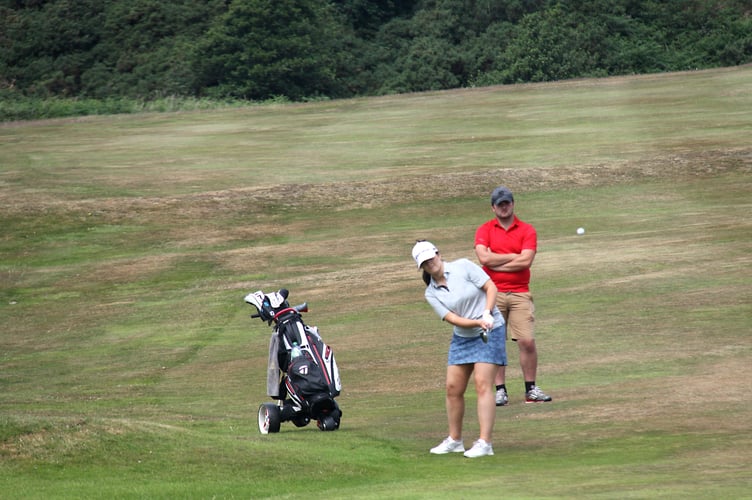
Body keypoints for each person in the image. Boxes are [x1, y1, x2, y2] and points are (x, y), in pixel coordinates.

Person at [411, 240, 507, 458]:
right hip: (464, 337)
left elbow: (490, 286)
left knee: (483, 384)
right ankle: (455, 440)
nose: (430, 264)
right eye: (425, 263)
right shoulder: (431, 293)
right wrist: (476, 323)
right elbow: (452, 318)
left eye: (431, 258)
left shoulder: (463, 266)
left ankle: (485, 443)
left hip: (491, 330)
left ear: (438, 253)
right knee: (453, 388)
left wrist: (486, 313)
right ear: (422, 267)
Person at [474, 186, 552, 406]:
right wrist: (512, 258)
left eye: (507, 202)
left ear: (513, 204)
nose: (504, 207)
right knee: (496, 342)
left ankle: (531, 389)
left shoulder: (527, 230)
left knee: (526, 341)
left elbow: (526, 261)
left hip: (520, 293)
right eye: (500, 204)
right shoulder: (485, 229)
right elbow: (483, 258)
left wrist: (496, 259)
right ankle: (500, 390)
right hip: (492, 293)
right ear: (493, 207)